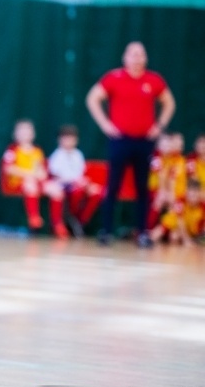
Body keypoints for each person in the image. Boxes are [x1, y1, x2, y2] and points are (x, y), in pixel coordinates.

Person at [86, 41, 176, 248]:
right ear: (125, 57)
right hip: (119, 140)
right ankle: (106, 231)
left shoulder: (153, 80)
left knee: (142, 189)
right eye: (133, 54)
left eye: (140, 54)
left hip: (144, 141)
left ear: (145, 58)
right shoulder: (114, 78)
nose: (137, 58)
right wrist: (105, 124)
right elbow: (92, 98)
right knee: (113, 186)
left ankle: (142, 233)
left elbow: (170, 102)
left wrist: (159, 125)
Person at [1, 119, 68, 238]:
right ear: (15, 134)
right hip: (18, 183)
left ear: (33, 133)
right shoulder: (12, 150)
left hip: (37, 181)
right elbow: (9, 169)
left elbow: (42, 172)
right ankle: (34, 218)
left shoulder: (37, 151)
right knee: (30, 183)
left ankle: (57, 223)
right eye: (21, 131)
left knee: (55, 189)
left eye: (27, 131)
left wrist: (39, 175)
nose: (25, 134)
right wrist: (28, 174)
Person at [47, 124, 103, 237]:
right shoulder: (57, 156)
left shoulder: (78, 155)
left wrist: (84, 182)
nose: (68, 141)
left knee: (97, 192)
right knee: (76, 191)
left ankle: (81, 221)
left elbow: (80, 174)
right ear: (60, 140)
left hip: (78, 185)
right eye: (65, 138)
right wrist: (74, 181)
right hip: (63, 186)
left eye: (71, 138)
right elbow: (56, 177)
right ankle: (69, 218)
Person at [150, 179, 204, 247]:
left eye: (195, 195)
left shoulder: (202, 205)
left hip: (190, 230)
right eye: (191, 195)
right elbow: (180, 222)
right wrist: (186, 240)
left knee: (174, 236)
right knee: (160, 233)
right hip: (175, 225)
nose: (193, 198)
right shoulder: (181, 201)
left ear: (199, 193)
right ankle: (148, 238)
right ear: (186, 192)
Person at [148, 132, 186, 228]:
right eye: (163, 144)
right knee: (159, 200)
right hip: (152, 189)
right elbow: (160, 176)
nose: (166, 147)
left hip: (164, 189)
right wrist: (163, 192)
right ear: (158, 145)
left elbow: (171, 178)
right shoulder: (156, 156)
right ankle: (146, 230)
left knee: (173, 203)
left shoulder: (172, 158)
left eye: (168, 144)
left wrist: (169, 192)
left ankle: (168, 232)